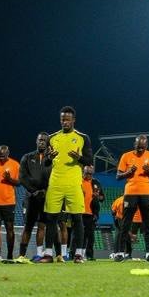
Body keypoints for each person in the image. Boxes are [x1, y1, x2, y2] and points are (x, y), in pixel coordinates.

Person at [45, 107, 93, 263]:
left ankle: (79, 254)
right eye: (62, 119)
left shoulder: (82, 137)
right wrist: (49, 157)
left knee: (77, 218)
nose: (64, 122)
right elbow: (46, 162)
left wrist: (79, 157)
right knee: (51, 218)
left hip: (73, 183)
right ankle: (47, 254)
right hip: (55, 183)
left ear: (73, 120)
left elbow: (89, 161)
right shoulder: (52, 138)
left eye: (67, 119)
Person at [116, 134, 149, 260]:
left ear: (147, 145)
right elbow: (118, 176)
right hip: (130, 193)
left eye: (143, 147)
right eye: (138, 146)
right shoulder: (126, 156)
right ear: (134, 144)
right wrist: (128, 173)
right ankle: (120, 252)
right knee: (125, 223)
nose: (140, 149)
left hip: (147, 193)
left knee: (148, 224)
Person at [18, 133, 52, 262]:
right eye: (40, 140)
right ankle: (22, 255)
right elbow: (22, 177)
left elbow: (53, 176)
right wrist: (33, 191)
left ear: (48, 143)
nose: (42, 142)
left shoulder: (51, 159)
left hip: (45, 197)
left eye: (44, 140)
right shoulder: (27, 157)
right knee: (28, 226)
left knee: (42, 226)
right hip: (31, 197)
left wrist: (45, 190)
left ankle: (38, 254)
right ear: (36, 141)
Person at [74, 165, 103, 261]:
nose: (89, 175)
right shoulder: (78, 181)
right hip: (79, 211)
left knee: (90, 235)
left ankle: (89, 255)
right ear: (83, 171)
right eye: (87, 173)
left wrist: (98, 196)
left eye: (91, 174)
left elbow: (102, 198)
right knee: (77, 234)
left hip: (91, 213)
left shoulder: (96, 183)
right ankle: (74, 254)